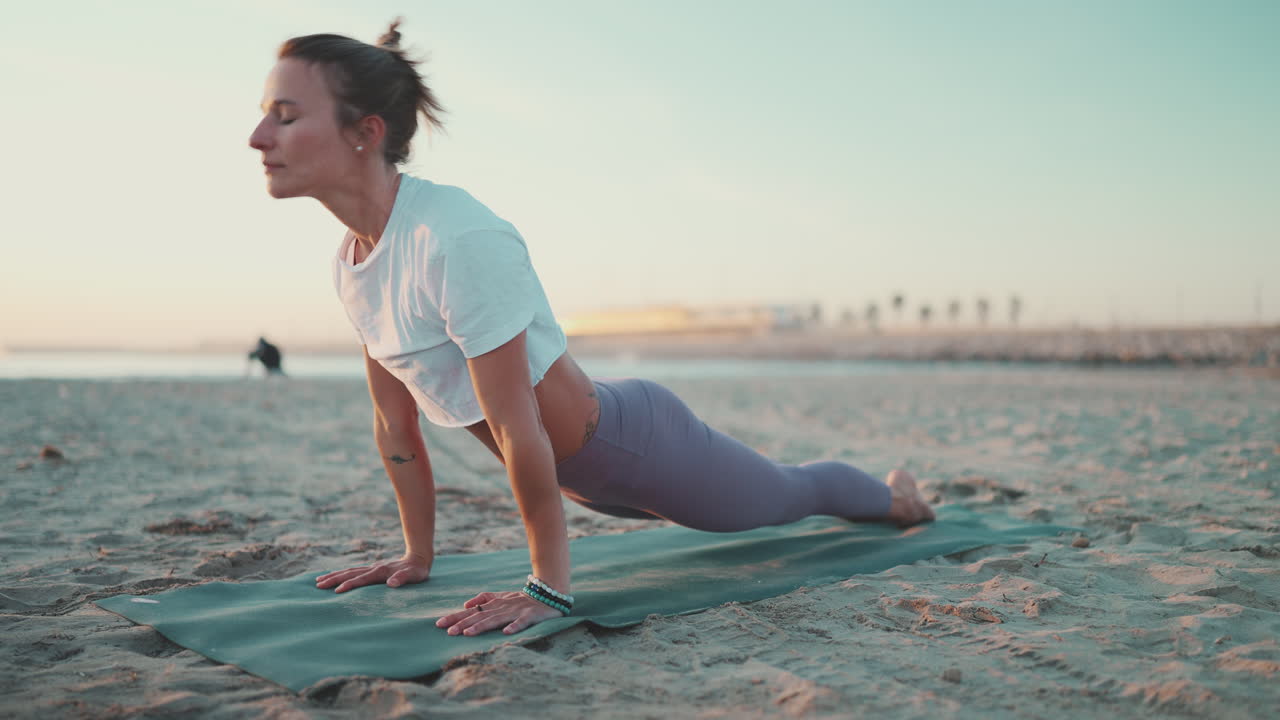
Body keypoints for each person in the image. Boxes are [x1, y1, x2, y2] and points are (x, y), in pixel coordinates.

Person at [248, 19, 935, 638]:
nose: (258, 137)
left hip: (637, 444)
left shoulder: (454, 239)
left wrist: (548, 589)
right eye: (262, 117)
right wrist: (416, 556)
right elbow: (395, 427)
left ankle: (899, 500)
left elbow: (520, 426)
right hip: (583, 477)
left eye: (284, 116)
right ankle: (890, 493)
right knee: (777, 496)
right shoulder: (354, 264)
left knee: (788, 496)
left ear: (365, 132)